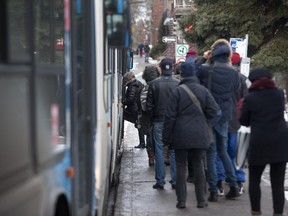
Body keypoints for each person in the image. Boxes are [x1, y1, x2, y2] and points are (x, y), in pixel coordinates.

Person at [163, 61, 220, 209]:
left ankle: (181, 201)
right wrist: (207, 124)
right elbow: (216, 112)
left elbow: (169, 117)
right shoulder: (203, 91)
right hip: (200, 135)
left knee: (181, 167)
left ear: (182, 74)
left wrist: (166, 138)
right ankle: (201, 200)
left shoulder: (178, 91)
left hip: (181, 135)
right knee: (199, 165)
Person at [239, 68, 288, 216]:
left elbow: (244, 121)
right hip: (280, 142)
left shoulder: (250, 98)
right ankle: (278, 214)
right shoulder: (279, 95)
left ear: (253, 81)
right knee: (278, 184)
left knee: (254, 180)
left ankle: (256, 212)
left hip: (259, 142)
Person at [197, 39, 240, 202]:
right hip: (225, 115)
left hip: (210, 115)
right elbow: (235, 88)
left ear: (213, 54)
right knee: (223, 151)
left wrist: (204, 57)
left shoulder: (206, 70)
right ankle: (234, 186)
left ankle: (214, 190)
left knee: (211, 152)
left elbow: (194, 72)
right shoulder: (233, 72)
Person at [215, 52, 248, 195]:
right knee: (236, 152)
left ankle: (219, 182)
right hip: (237, 122)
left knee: (219, 152)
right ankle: (238, 180)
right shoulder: (242, 79)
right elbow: (247, 102)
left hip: (220, 119)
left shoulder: (217, 77)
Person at [146, 57, 179, 190]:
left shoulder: (154, 83)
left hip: (159, 120)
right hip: (174, 121)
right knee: (174, 150)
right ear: (172, 68)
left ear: (160, 67)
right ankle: (175, 180)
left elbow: (149, 105)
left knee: (159, 150)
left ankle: (160, 181)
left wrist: (152, 119)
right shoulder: (178, 83)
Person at [139, 65, 161, 166]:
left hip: (147, 117)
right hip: (159, 115)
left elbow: (143, 105)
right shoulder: (159, 85)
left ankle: (151, 158)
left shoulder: (145, 87)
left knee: (149, 137)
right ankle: (162, 157)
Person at [122, 71, 145, 148]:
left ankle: (142, 143)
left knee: (123, 115)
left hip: (134, 109)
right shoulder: (137, 83)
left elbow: (130, 99)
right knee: (139, 125)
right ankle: (142, 143)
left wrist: (123, 103)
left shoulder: (132, 86)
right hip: (137, 108)